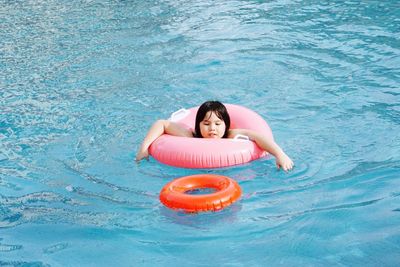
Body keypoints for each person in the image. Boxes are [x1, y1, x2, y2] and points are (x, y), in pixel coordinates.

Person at [136, 101, 294, 171]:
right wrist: (144, 148)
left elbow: (258, 136)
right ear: (198, 125)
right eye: (206, 124)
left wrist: (280, 154)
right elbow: (162, 123)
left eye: (218, 124)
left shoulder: (230, 136)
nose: (212, 129)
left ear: (226, 126)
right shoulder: (191, 136)